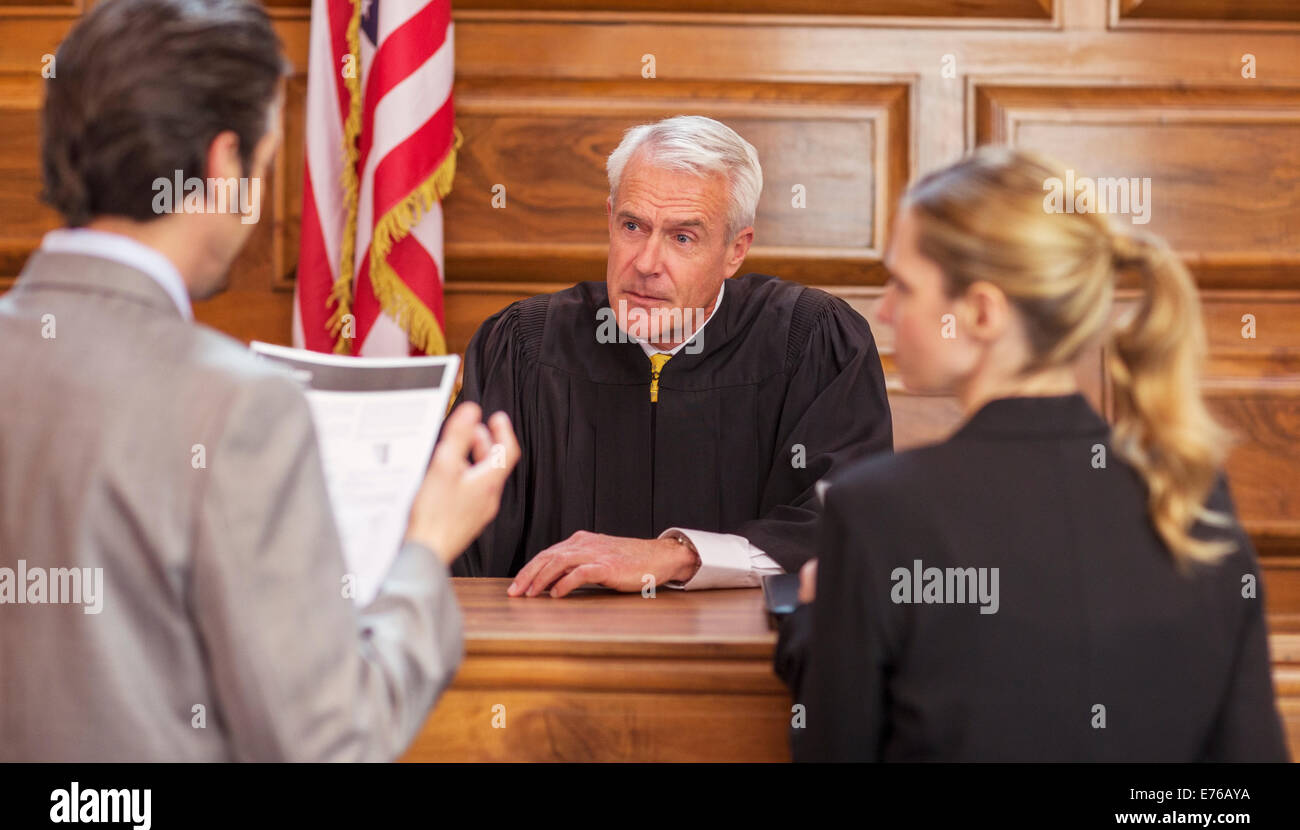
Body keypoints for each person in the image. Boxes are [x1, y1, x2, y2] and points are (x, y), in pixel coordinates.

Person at [0, 0, 519, 761]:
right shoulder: (237, 407)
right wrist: (427, 547)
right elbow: (330, 741)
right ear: (224, 159)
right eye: (269, 160)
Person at [776, 146, 1289, 761]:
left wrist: (811, 624)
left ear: (982, 312)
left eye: (903, 285)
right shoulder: (1191, 491)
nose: (883, 309)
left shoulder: (877, 511)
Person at [451, 115, 893, 596]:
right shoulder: (523, 347)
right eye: (633, 226)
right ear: (610, 218)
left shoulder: (811, 341)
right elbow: (460, 545)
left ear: (734, 250)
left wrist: (678, 555)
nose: (645, 264)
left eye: (683, 237)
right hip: (557, 655)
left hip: (743, 660)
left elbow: (848, 524)